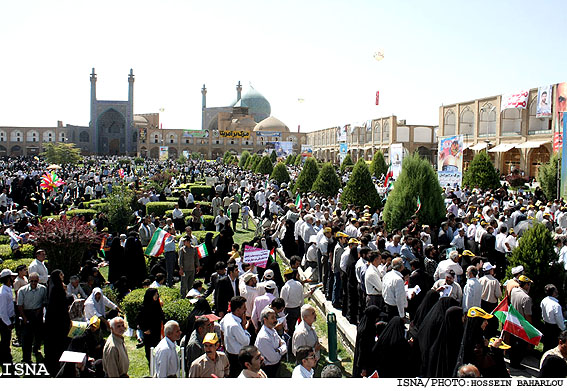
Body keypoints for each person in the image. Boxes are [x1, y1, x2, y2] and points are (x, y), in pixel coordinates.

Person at [45, 269, 73, 376]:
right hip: (59, 322)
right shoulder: (57, 289)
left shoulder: (53, 288)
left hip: (53, 321)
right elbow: (63, 302)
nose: (63, 276)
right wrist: (69, 297)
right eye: (61, 275)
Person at [16, 272, 47, 363]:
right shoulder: (22, 290)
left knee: (38, 334)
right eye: (32, 281)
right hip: (27, 312)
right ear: (29, 280)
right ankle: (26, 358)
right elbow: (20, 305)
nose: (34, 283)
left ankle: (36, 349)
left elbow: (43, 301)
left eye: (36, 281)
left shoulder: (43, 289)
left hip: (38, 313)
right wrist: (24, 317)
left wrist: (39, 310)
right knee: (26, 337)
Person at [219, 296, 251, 377]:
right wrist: (244, 326)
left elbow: (221, 329)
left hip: (229, 352)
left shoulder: (227, 317)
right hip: (237, 357)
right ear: (237, 310)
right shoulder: (235, 325)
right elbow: (246, 342)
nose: (246, 309)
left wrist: (223, 344)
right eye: (244, 307)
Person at [254, 306, 287, 377]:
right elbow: (274, 359)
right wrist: (281, 350)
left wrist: (278, 350)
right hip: (268, 369)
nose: (276, 320)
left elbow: (284, 344)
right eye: (272, 318)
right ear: (265, 320)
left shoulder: (273, 330)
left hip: (275, 367)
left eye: (275, 317)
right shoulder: (263, 337)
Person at [509, 275, 534, 369]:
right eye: (529, 284)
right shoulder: (526, 298)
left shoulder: (514, 291)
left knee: (513, 344)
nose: (530, 286)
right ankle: (516, 364)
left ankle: (512, 361)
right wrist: (530, 329)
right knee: (520, 347)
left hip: (513, 322)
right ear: (526, 285)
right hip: (521, 325)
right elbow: (528, 315)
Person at [138, 288, 165, 366]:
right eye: (155, 294)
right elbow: (140, 319)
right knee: (150, 351)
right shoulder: (144, 307)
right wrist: (145, 329)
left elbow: (161, 315)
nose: (157, 296)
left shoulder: (157, 305)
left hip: (157, 330)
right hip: (149, 333)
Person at [353, 305, 381, 377]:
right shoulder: (366, 331)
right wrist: (363, 368)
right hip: (364, 362)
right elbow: (363, 350)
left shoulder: (364, 324)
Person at [540, 284, 566, 353]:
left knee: (546, 345)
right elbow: (559, 320)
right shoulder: (556, 305)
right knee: (553, 347)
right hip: (554, 328)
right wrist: (563, 328)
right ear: (554, 293)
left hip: (546, 325)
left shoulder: (544, 300)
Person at [0, 268, 17, 365]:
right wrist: (8, 323)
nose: (13, 279)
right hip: (4, 320)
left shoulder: (8, 289)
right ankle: (5, 359)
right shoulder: (3, 293)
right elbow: (2, 311)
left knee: (7, 339)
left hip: (8, 318)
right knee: (5, 340)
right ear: (7, 279)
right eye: (12, 277)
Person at [281, 268, 303, 337]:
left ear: (285, 277)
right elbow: (302, 298)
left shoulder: (285, 287)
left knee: (290, 331)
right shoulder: (299, 284)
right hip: (297, 309)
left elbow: (282, 301)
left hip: (289, 311)